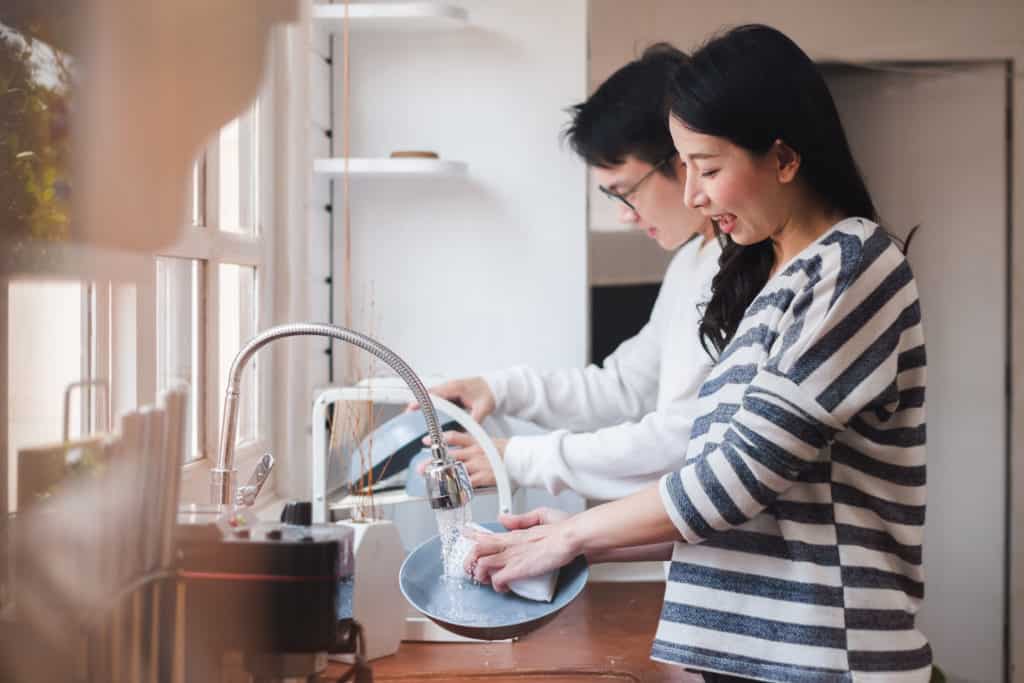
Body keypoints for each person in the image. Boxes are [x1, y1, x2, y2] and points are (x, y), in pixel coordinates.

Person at [468, 24, 930, 683]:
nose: (693, 196)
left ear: (783, 158)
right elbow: (752, 507)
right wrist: (582, 537)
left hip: (827, 658)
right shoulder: (766, 281)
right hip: (756, 658)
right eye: (684, 169)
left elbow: (737, 478)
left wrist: (574, 532)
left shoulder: (851, 266)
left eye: (707, 169)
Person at [417, 43, 720, 505]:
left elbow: (678, 440)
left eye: (626, 191)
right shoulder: (692, 262)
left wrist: (518, 458)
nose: (626, 215)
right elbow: (624, 387)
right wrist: (498, 388)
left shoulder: (742, 272)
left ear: (683, 160)